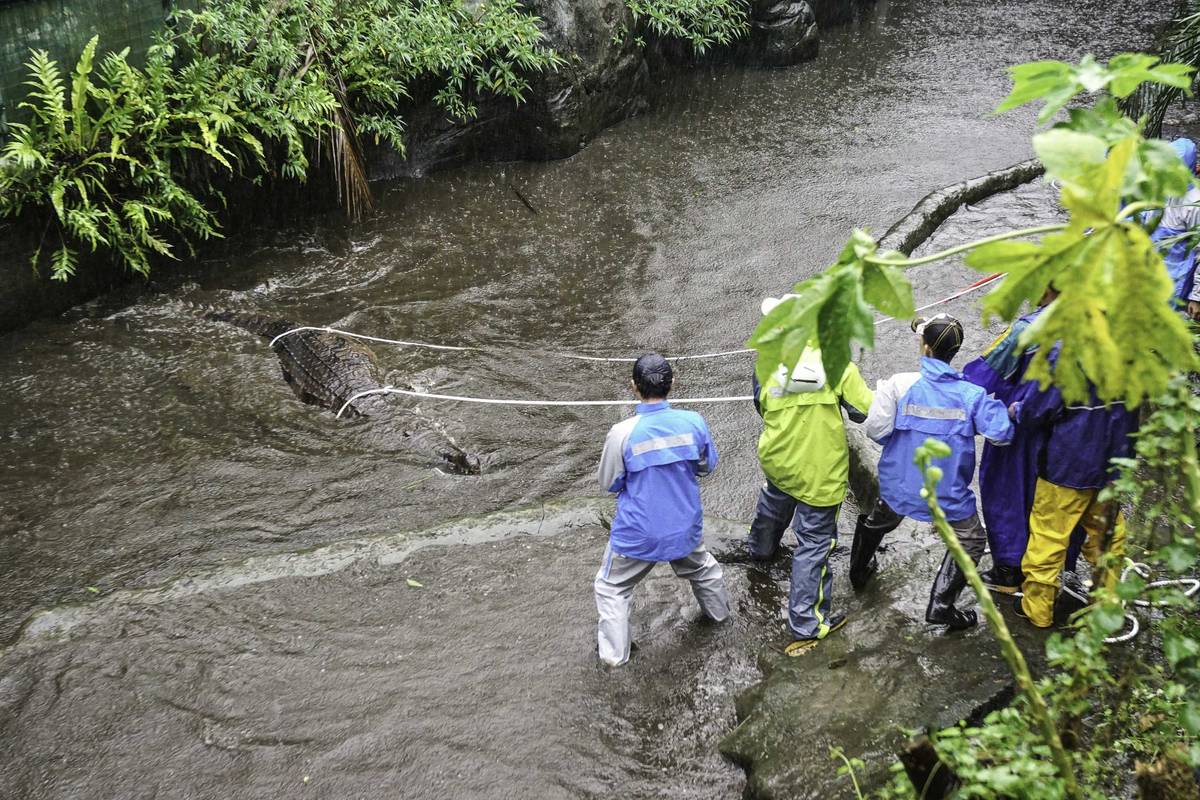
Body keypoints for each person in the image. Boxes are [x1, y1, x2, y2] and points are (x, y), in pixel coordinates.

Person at [848, 314, 1013, 630]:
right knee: (972, 540)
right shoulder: (971, 394)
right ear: (956, 350)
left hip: (900, 483)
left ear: (924, 347)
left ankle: (858, 570)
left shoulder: (898, 384)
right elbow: (1001, 433)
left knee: (880, 518)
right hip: (946, 491)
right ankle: (941, 604)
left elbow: (876, 431)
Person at [747, 296, 873, 655]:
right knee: (814, 544)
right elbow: (864, 411)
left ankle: (760, 549)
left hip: (779, 459)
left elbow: (760, 405)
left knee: (774, 501)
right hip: (821, 471)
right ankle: (808, 623)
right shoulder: (837, 364)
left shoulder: (765, 363)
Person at [594, 352, 729, 667]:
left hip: (638, 533)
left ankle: (614, 660)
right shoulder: (694, 422)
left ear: (633, 387)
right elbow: (707, 466)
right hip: (684, 525)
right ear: (673, 384)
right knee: (704, 570)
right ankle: (721, 619)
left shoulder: (622, 432)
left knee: (611, 587)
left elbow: (609, 482)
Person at [1007, 358, 1138, 628]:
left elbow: (1038, 410)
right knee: (1108, 537)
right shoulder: (1131, 350)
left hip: (1066, 466)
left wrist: (1017, 410)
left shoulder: (1066, 353)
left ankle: (1038, 610)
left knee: (1049, 538)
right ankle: (1106, 608)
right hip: (1112, 466)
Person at [961, 286, 1058, 593]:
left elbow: (981, 376)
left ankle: (1009, 569)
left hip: (1021, 428)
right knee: (1054, 500)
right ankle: (1050, 566)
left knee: (1007, 494)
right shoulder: (1093, 322)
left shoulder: (1024, 331)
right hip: (1067, 431)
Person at [1146, 138, 1200, 318]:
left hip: (1175, 286)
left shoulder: (1194, 203)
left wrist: (1196, 297)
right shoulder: (1164, 190)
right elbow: (1148, 218)